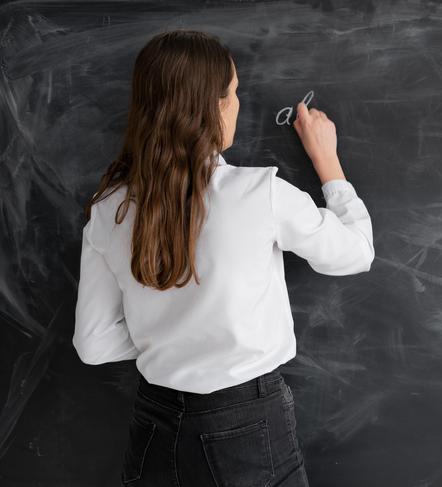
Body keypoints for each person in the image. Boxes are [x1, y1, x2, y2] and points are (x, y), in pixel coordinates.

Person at [72, 30, 374, 487]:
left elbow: (92, 345)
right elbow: (355, 255)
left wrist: (170, 336)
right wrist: (327, 162)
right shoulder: (260, 193)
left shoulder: (108, 208)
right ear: (213, 107)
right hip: (245, 426)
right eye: (233, 93)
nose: (237, 103)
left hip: (153, 427)